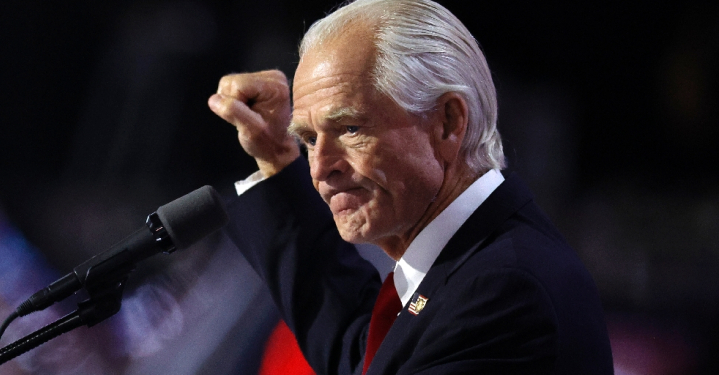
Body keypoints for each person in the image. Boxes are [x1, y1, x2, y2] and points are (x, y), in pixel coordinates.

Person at [208, 0, 613, 373]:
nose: (319, 169)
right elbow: (363, 356)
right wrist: (278, 157)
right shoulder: (466, 268)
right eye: (310, 139)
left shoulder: (504, 290)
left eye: (350, 128)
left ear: (448, 123)